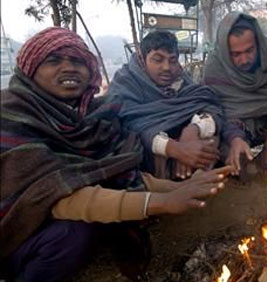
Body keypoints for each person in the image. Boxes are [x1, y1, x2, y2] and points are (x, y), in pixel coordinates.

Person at [0, 27, 233, 282]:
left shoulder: (91, 116)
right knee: (72, 234)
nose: (68, 68)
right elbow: (58, 196)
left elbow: (119, 173)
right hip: (16, 227)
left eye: (77, 60)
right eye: (53, 60)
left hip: (84, 204)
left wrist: (183, 187)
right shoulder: (12, 117)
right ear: (30, 69)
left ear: (90, 70)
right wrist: (163, 199)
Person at [106, 30, 224, 180]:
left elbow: (209, 105)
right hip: (146, 164)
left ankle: (198, 184)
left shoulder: (181, 80)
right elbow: (128, 123)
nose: (167, 67)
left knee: (211, 136)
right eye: (158, 60)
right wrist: (176, 150)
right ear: (142, 59)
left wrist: (191, 131)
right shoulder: (125, 82)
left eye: (172, 60)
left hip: (190, 147)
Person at [202, 12, 267, 177]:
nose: (245, 59)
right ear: (226, 52)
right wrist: (235, 138)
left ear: (258, 44)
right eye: (236, 54)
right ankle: (240, 166)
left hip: (266, 124)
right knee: (234, 162)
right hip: (233, 127)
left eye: (249, 50)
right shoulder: (215, 66)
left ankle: (263, 165)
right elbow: (214, 110)